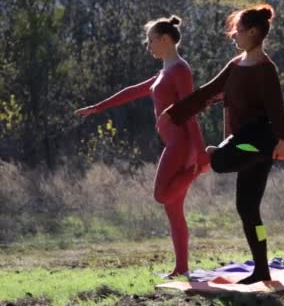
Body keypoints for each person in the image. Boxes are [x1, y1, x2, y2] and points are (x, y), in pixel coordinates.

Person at [157, 4, 284, 284]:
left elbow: (278, 108)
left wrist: (283, 140)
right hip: (247, 146)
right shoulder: (236, 65)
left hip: (259, 139)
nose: (233, 36)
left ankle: (259, 150)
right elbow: (208, 92)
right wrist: (176, 113)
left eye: (237, 30)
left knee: (219, 161)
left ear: (253, 32)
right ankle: (261, 269)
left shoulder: (266, 69)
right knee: (247, 209)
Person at [74, 15, 208, 278]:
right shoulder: (164, 72)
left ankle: (200, 168)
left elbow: (190, 112)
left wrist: (201, 154)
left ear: (166, 40)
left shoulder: (180, 70)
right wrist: (99, 107)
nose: (148, 47)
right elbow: (132, 91)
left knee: (161, 195)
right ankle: (181, 269)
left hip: (181, 144)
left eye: (151, 41)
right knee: (173, 210)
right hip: (173, 143)